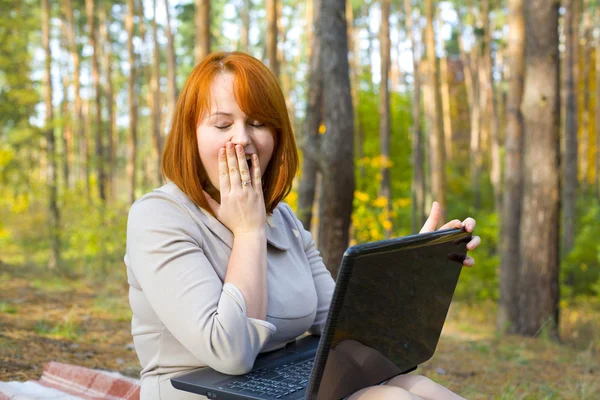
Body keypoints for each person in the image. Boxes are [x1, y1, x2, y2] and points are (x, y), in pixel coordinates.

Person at [125, 51, 481, 400]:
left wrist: (413, 269)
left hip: (283, 388)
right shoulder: (158, 217)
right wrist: (249, 231)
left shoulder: (284, 220)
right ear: (191, 134)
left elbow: (347, 333)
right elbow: (229, 352)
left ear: (276, 137)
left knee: (417, 389)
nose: (242, 138)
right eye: (222, 124)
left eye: (258, 123)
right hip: (198, 394)